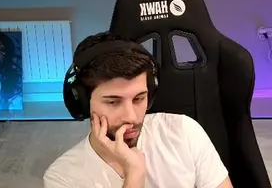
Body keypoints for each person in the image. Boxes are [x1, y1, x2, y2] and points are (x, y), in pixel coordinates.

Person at [44, 32, 233, 188]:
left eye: (139, 98)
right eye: (113, 102)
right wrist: (134, 174)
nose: (132, 117)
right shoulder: (62, 178)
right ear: (84, 102)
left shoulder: (183, 132)